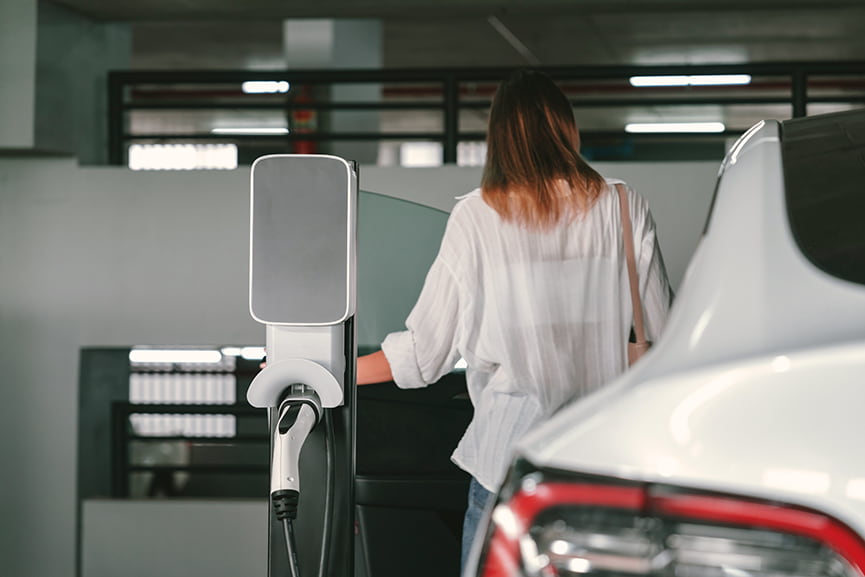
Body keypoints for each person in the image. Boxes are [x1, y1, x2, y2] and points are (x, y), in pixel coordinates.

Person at [356, 69, 672, 571]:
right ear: (567, 129)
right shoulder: (623, 206)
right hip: (605, 461)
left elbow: (422, 356)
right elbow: (659, 336)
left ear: (497, 137)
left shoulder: (477, 218)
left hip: (508, 463)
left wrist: (326, 370)